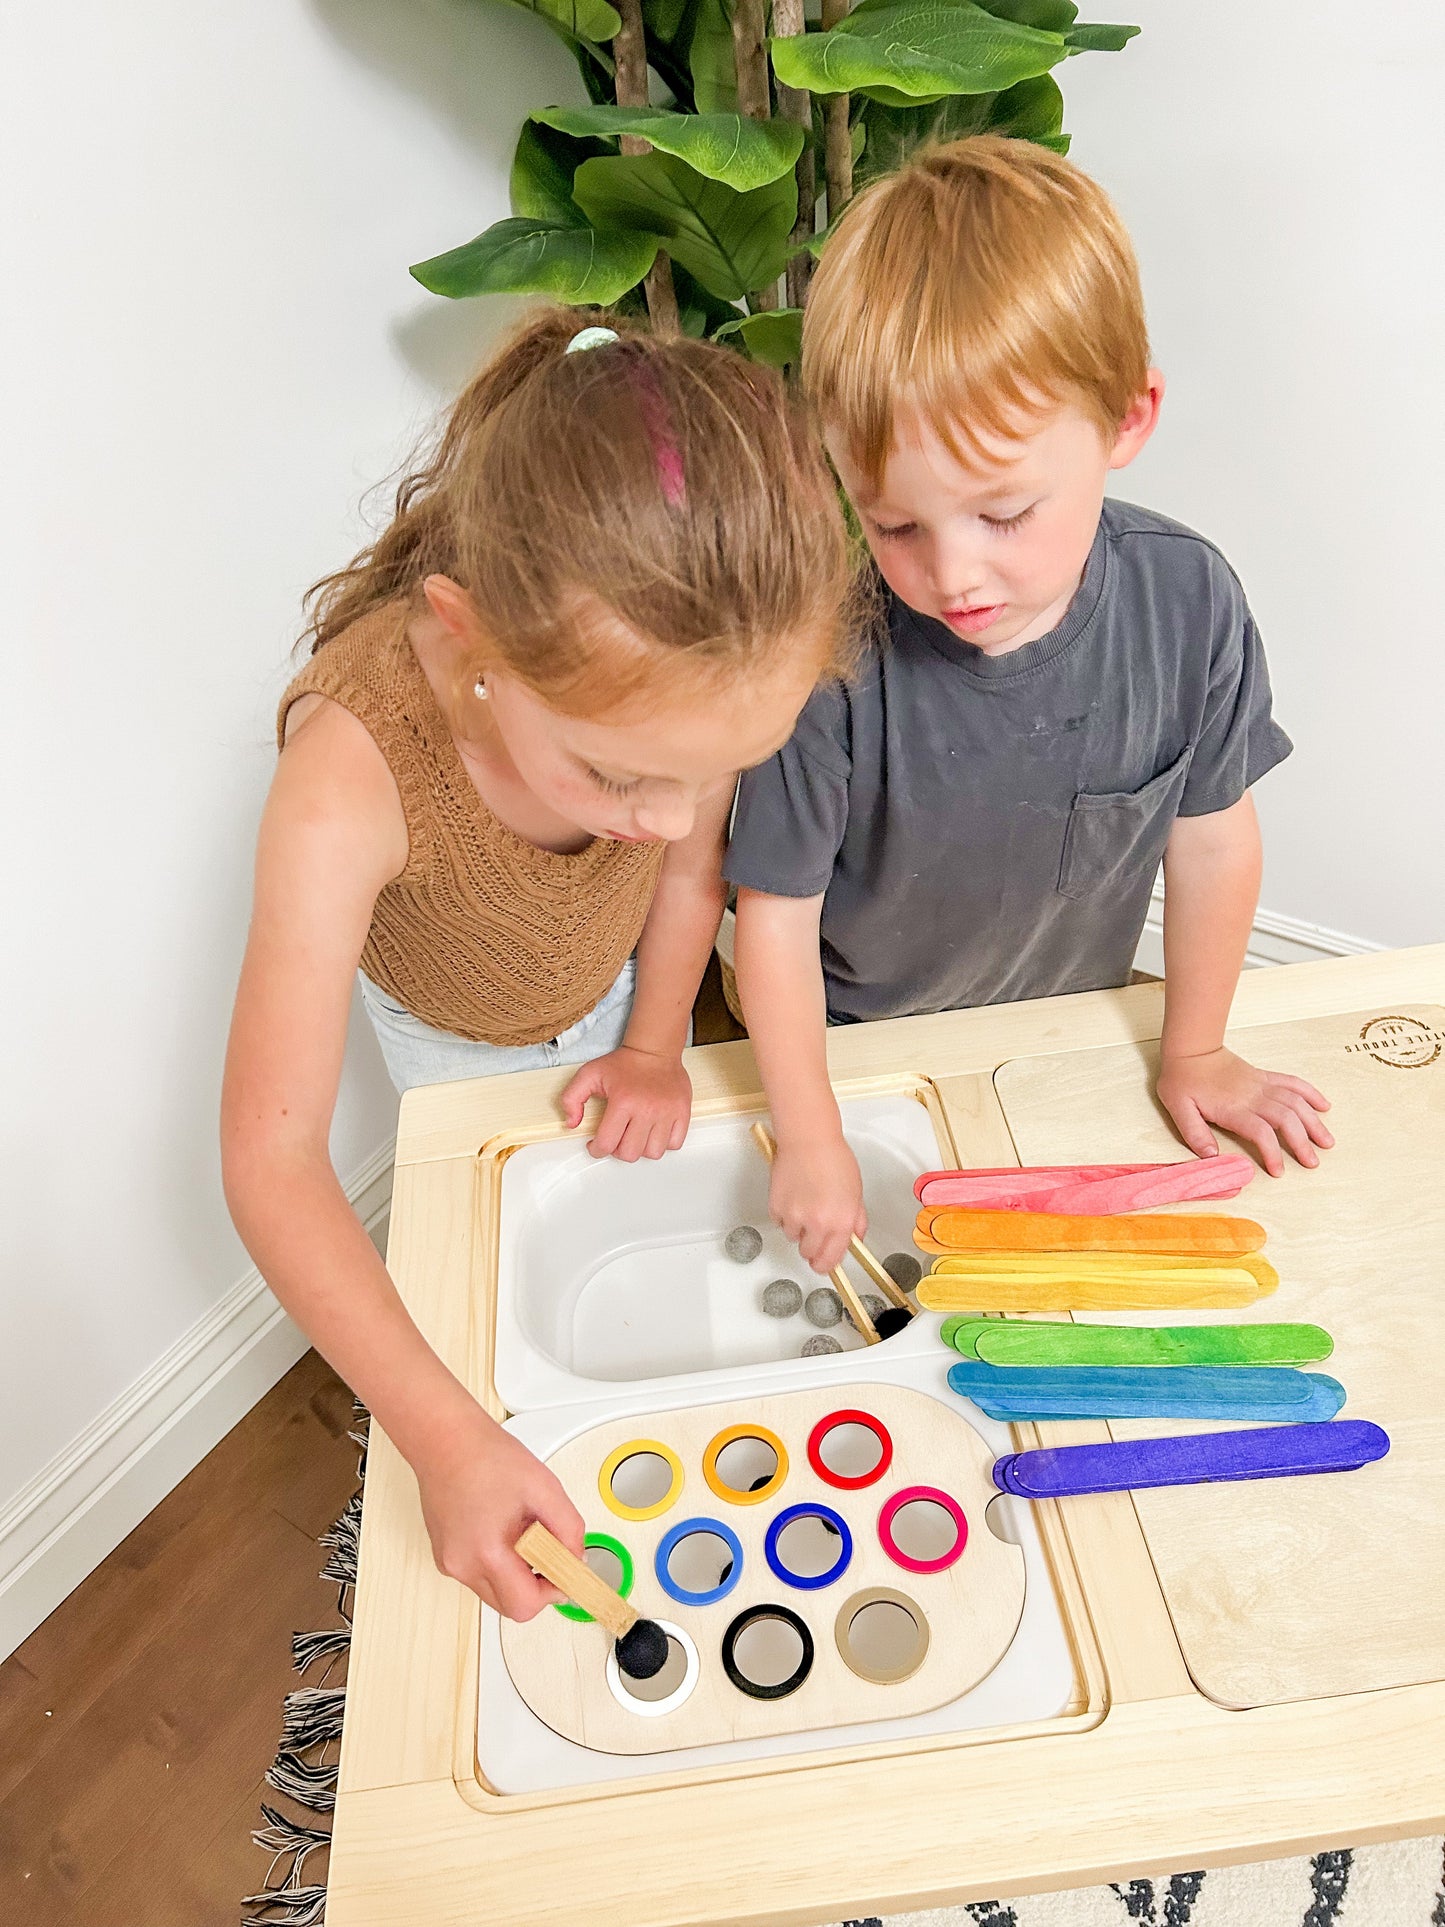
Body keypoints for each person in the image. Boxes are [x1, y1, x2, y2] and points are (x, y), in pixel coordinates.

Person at [222, 309, 850, 1616]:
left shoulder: (677, 719)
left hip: (623, 992)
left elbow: (684, 871)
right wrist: (447, 1439)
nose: (676, 820)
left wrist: (655, 1039)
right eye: (621, 775)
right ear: (468, 640)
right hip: (452, 1045)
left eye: (712, 775)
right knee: (490, 1332)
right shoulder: (347, 781)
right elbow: (269, 1159)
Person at [727, 137, 1333, 1276]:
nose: (951, 575)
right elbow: (775, 921)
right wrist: (806, 1134)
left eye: (1001, 514)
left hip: (1065, 1030)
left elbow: (1210, 842)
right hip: (859, 1052)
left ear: (1123, 421)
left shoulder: (1187, 597)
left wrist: (1194, 1048)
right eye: (895, 525)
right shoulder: (827, 652)